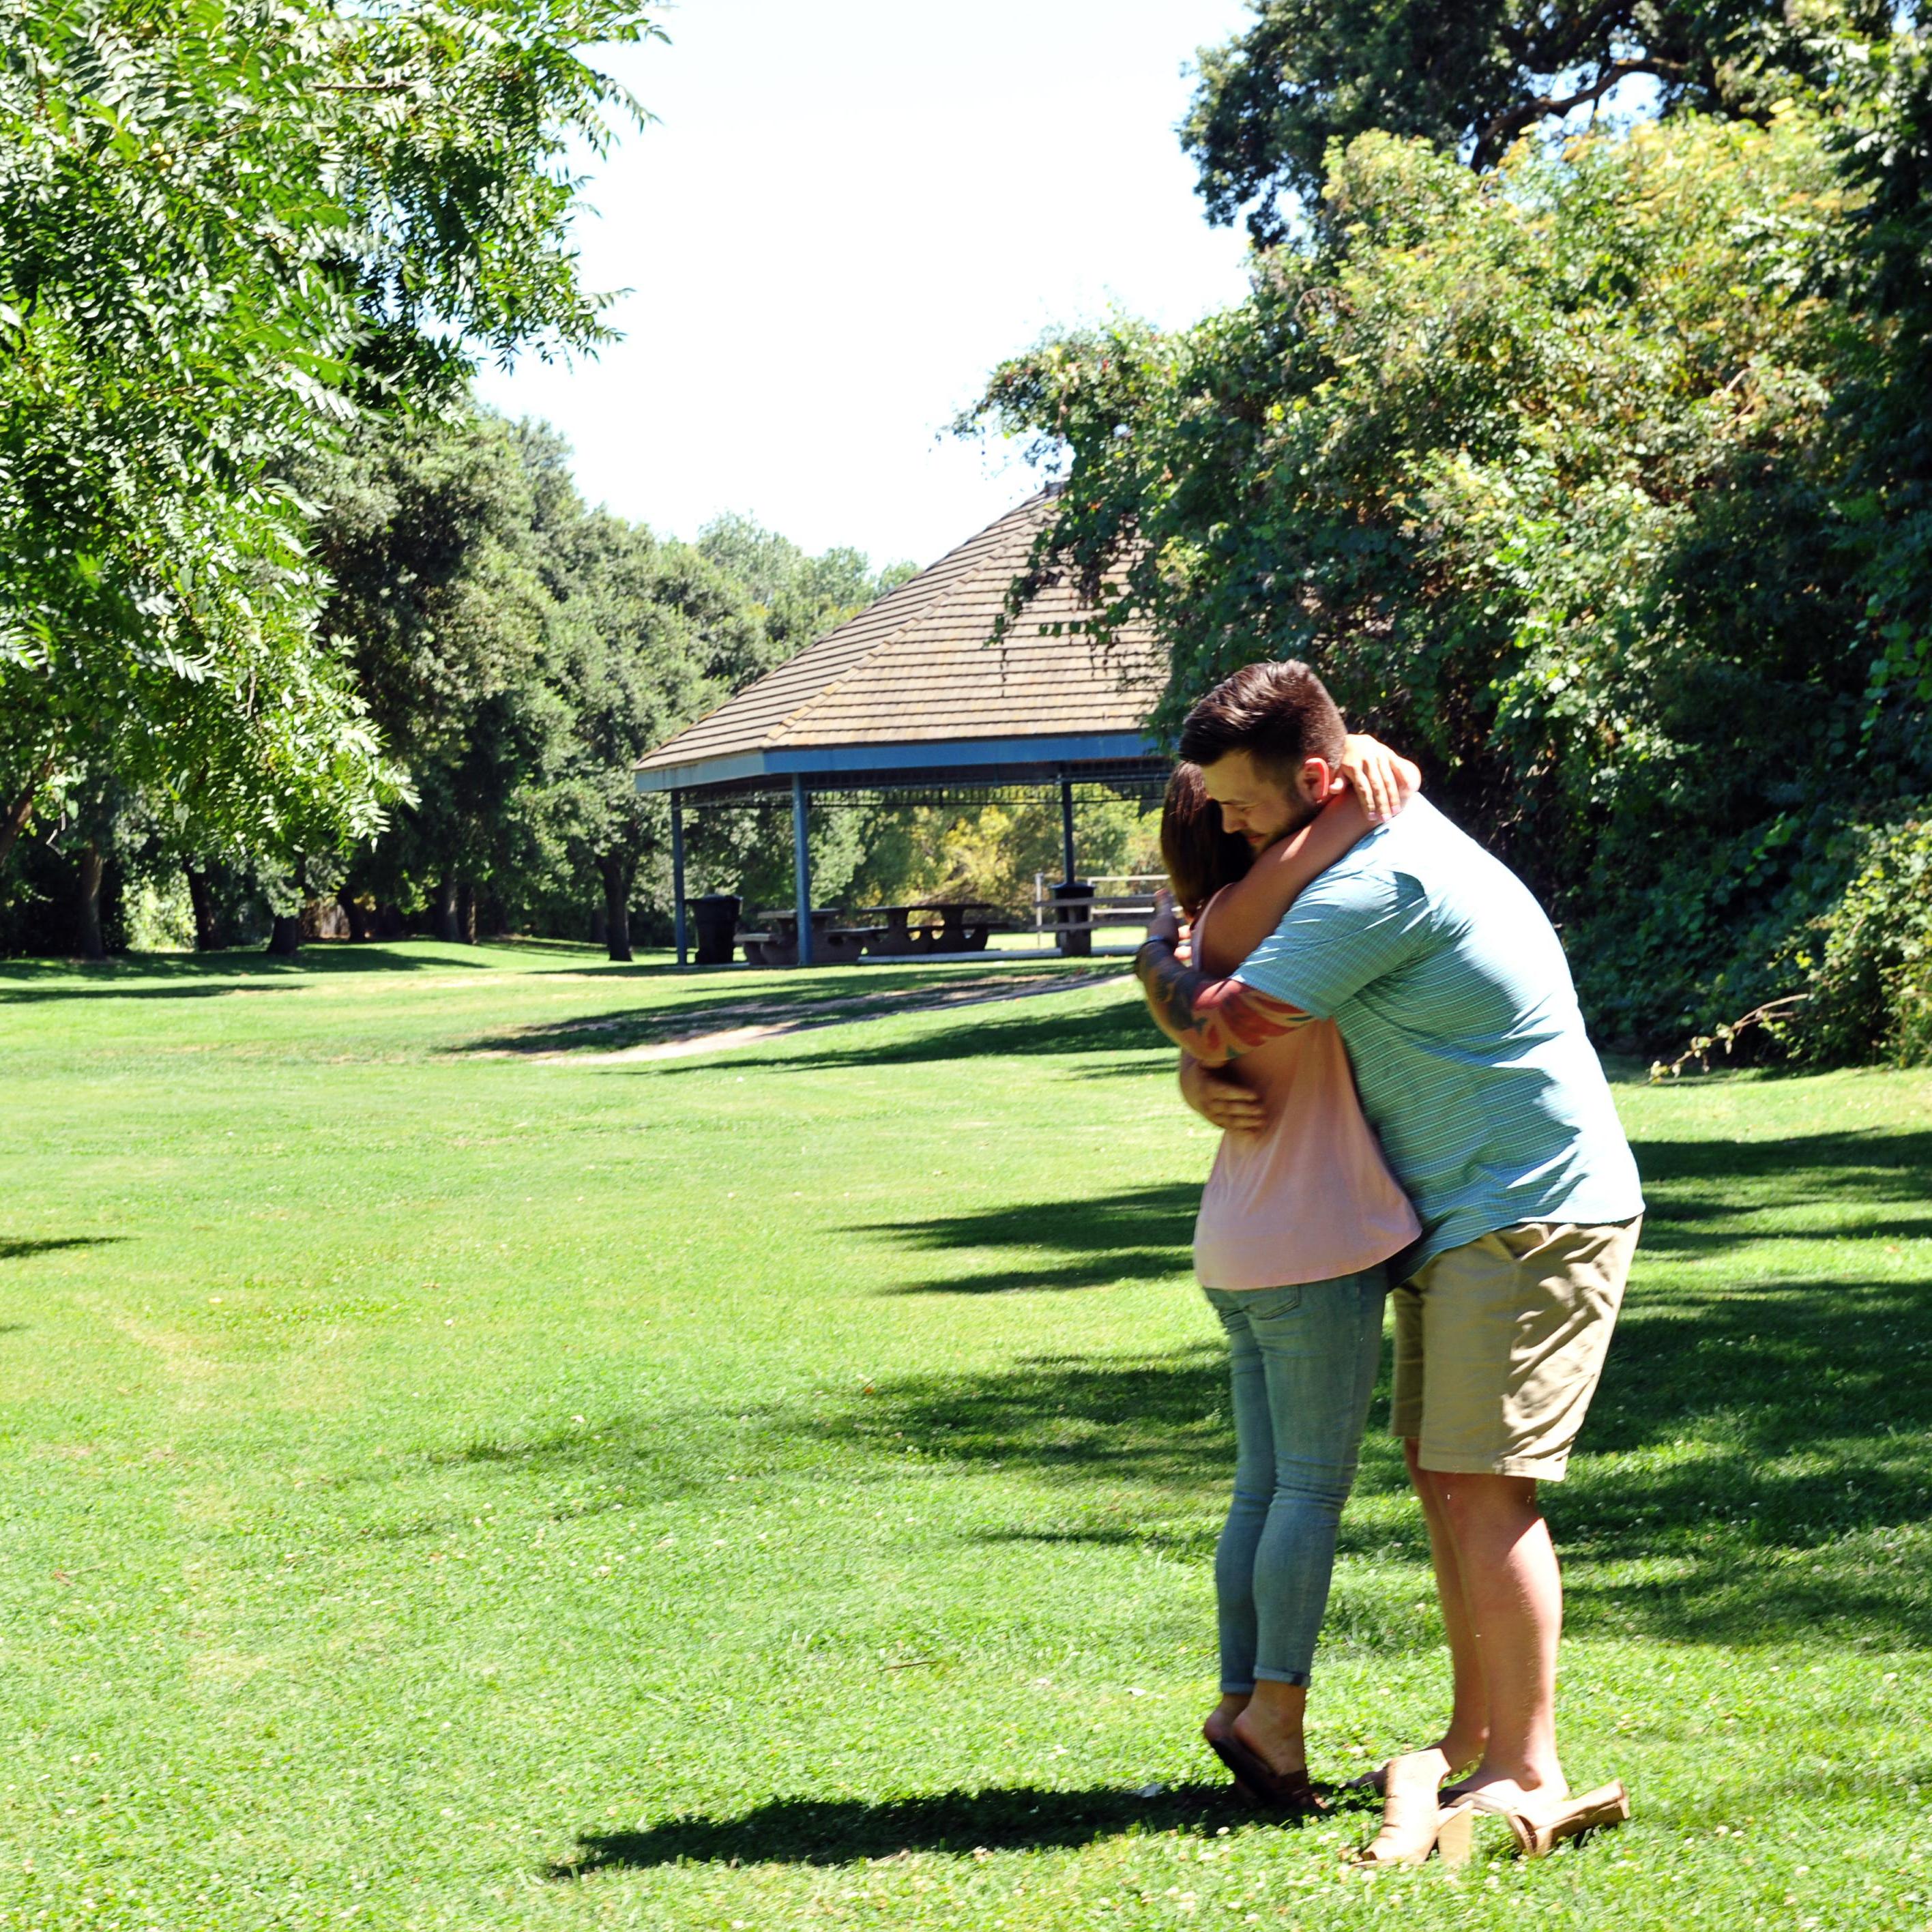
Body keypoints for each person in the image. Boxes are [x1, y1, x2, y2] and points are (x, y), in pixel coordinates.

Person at [1136, 661, 1644, 1866]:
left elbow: (1221, 1014)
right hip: (1467, 1208)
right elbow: (1222, 947)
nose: (1226, 826)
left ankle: (1526, 1767)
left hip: (1527, 1205)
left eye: (1243, 807)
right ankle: (1478, 1732)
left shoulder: (1380, 882)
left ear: (1316, 780)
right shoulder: (1358, 836)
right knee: (1443, 1470)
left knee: (1486, 1486)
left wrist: (1181, 1017)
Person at [1158, 756, 1421, 1818]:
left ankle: (1238, 1702)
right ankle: (1274, 1716)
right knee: (1308, 1490)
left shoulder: (1211, 934)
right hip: (1315, 1243)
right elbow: (1341, 836)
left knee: (1264, 1487)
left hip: (1239, 1239)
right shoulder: (1281, 923)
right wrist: (1366, 785)